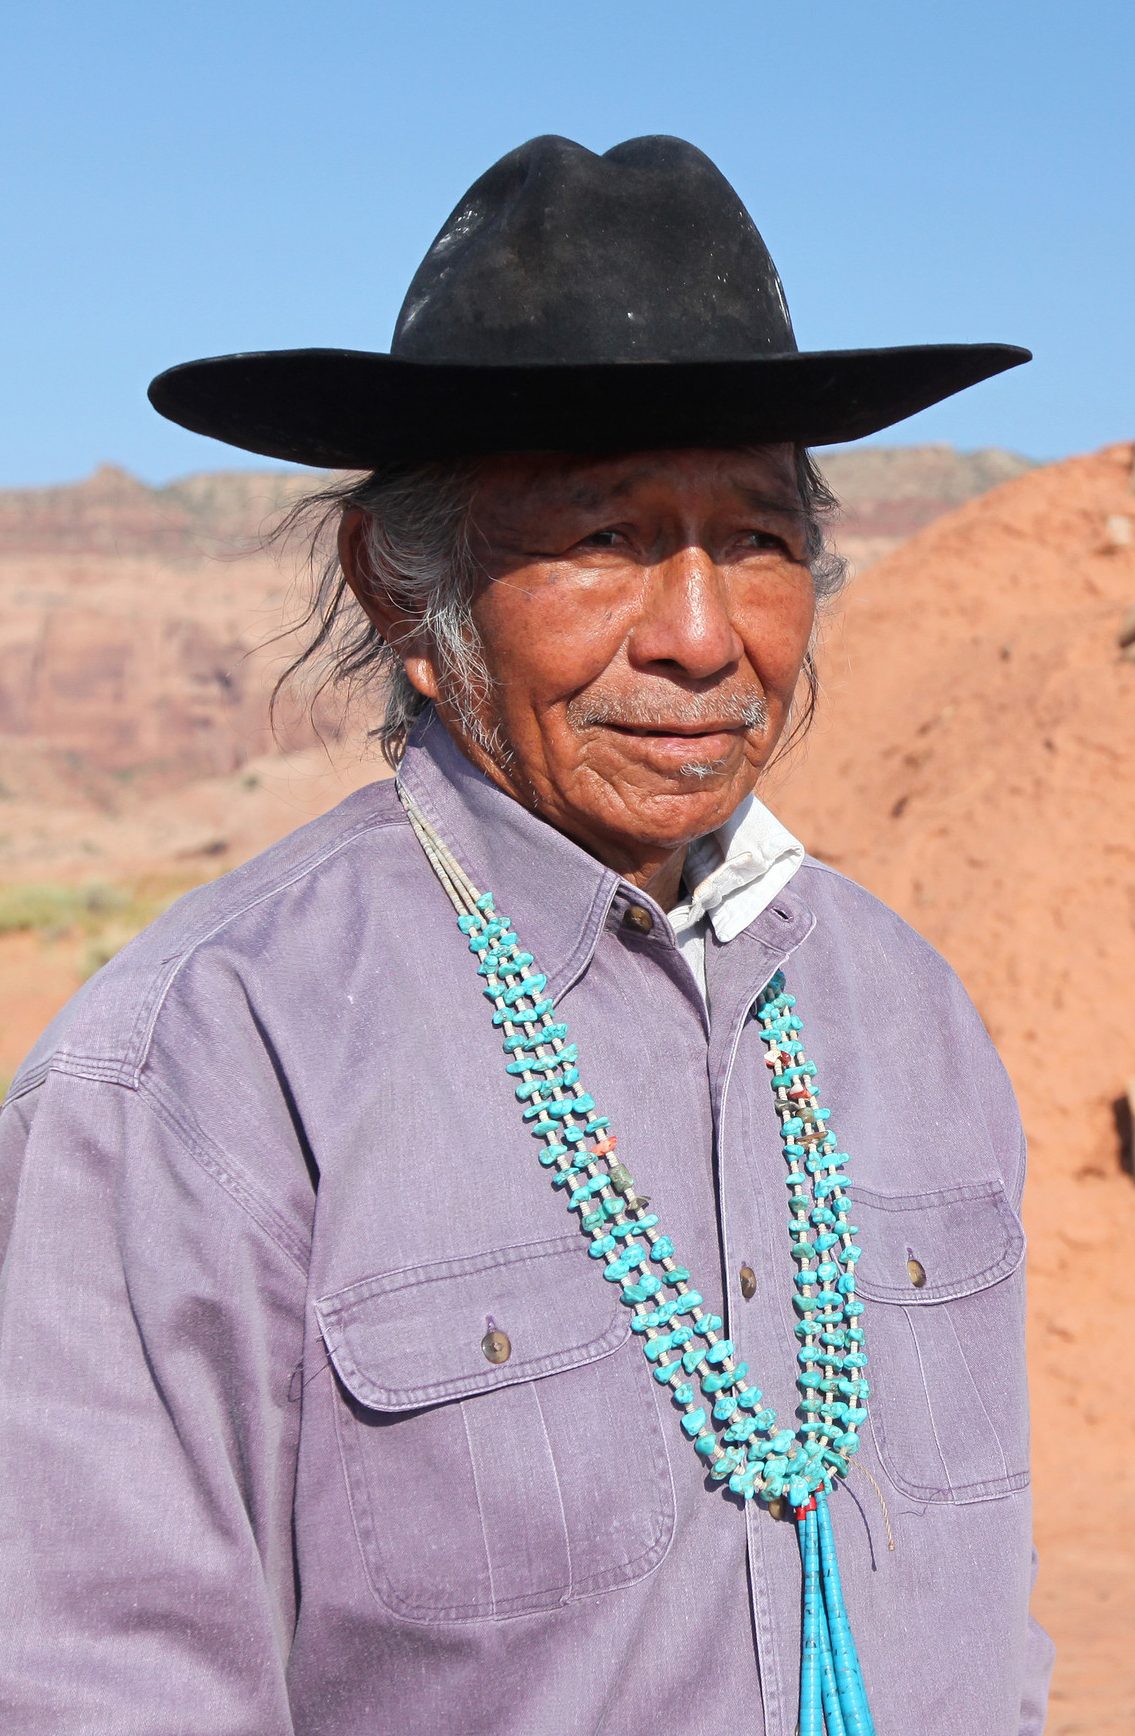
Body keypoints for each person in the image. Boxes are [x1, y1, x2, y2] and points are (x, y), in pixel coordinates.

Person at [0, 134, 1051, 1735]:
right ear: (403, 592)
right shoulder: (207, 1070)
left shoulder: (902, 1014)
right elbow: (100, 1683)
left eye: (758, 542)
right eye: (605, 538)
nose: (703, 637)